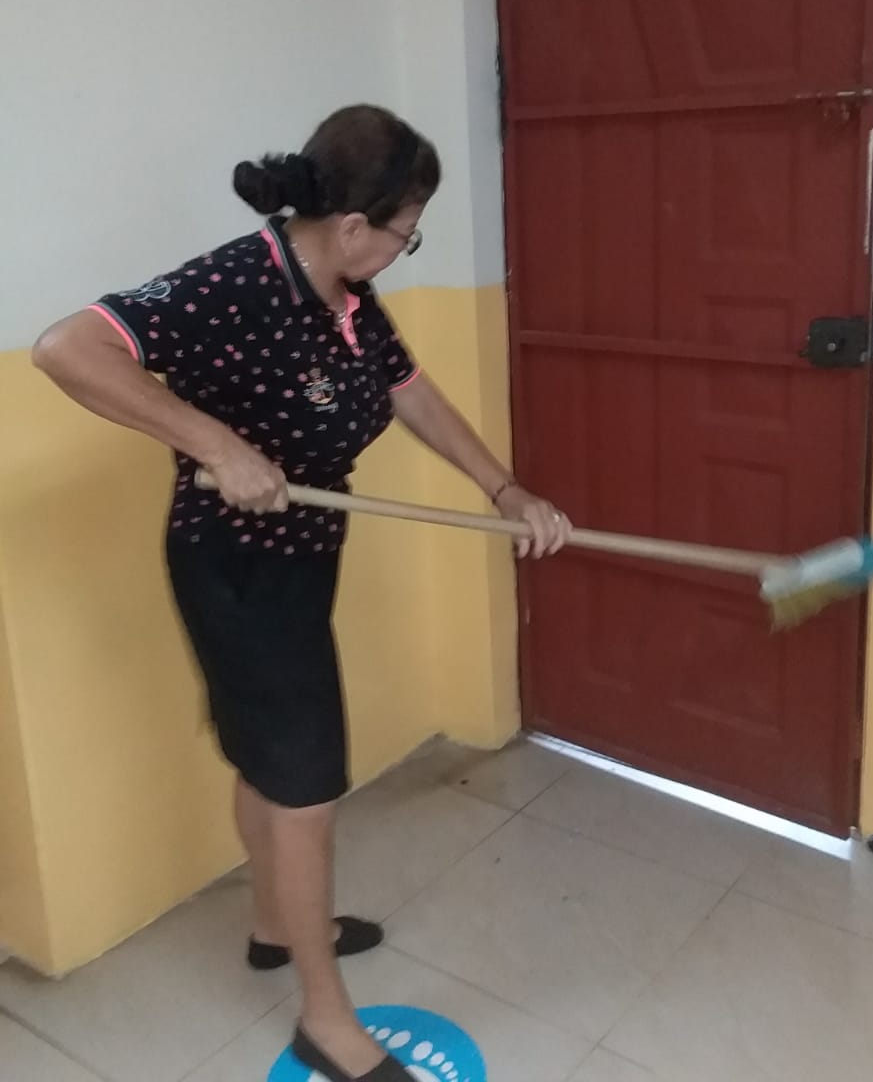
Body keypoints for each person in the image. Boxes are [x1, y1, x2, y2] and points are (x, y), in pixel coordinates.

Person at [33, 104, 570, 1081]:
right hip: (238, 568)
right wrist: (217, 444)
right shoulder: (236, 283)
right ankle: (325, 1020)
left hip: (299, 560)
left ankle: (276, 926)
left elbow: (409, 390)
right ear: (356, 223)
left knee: (269, 762)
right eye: (408, 230)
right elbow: (66, 347)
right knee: (306, 786)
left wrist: (505, 489)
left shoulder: (347, 295)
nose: (406, 246)